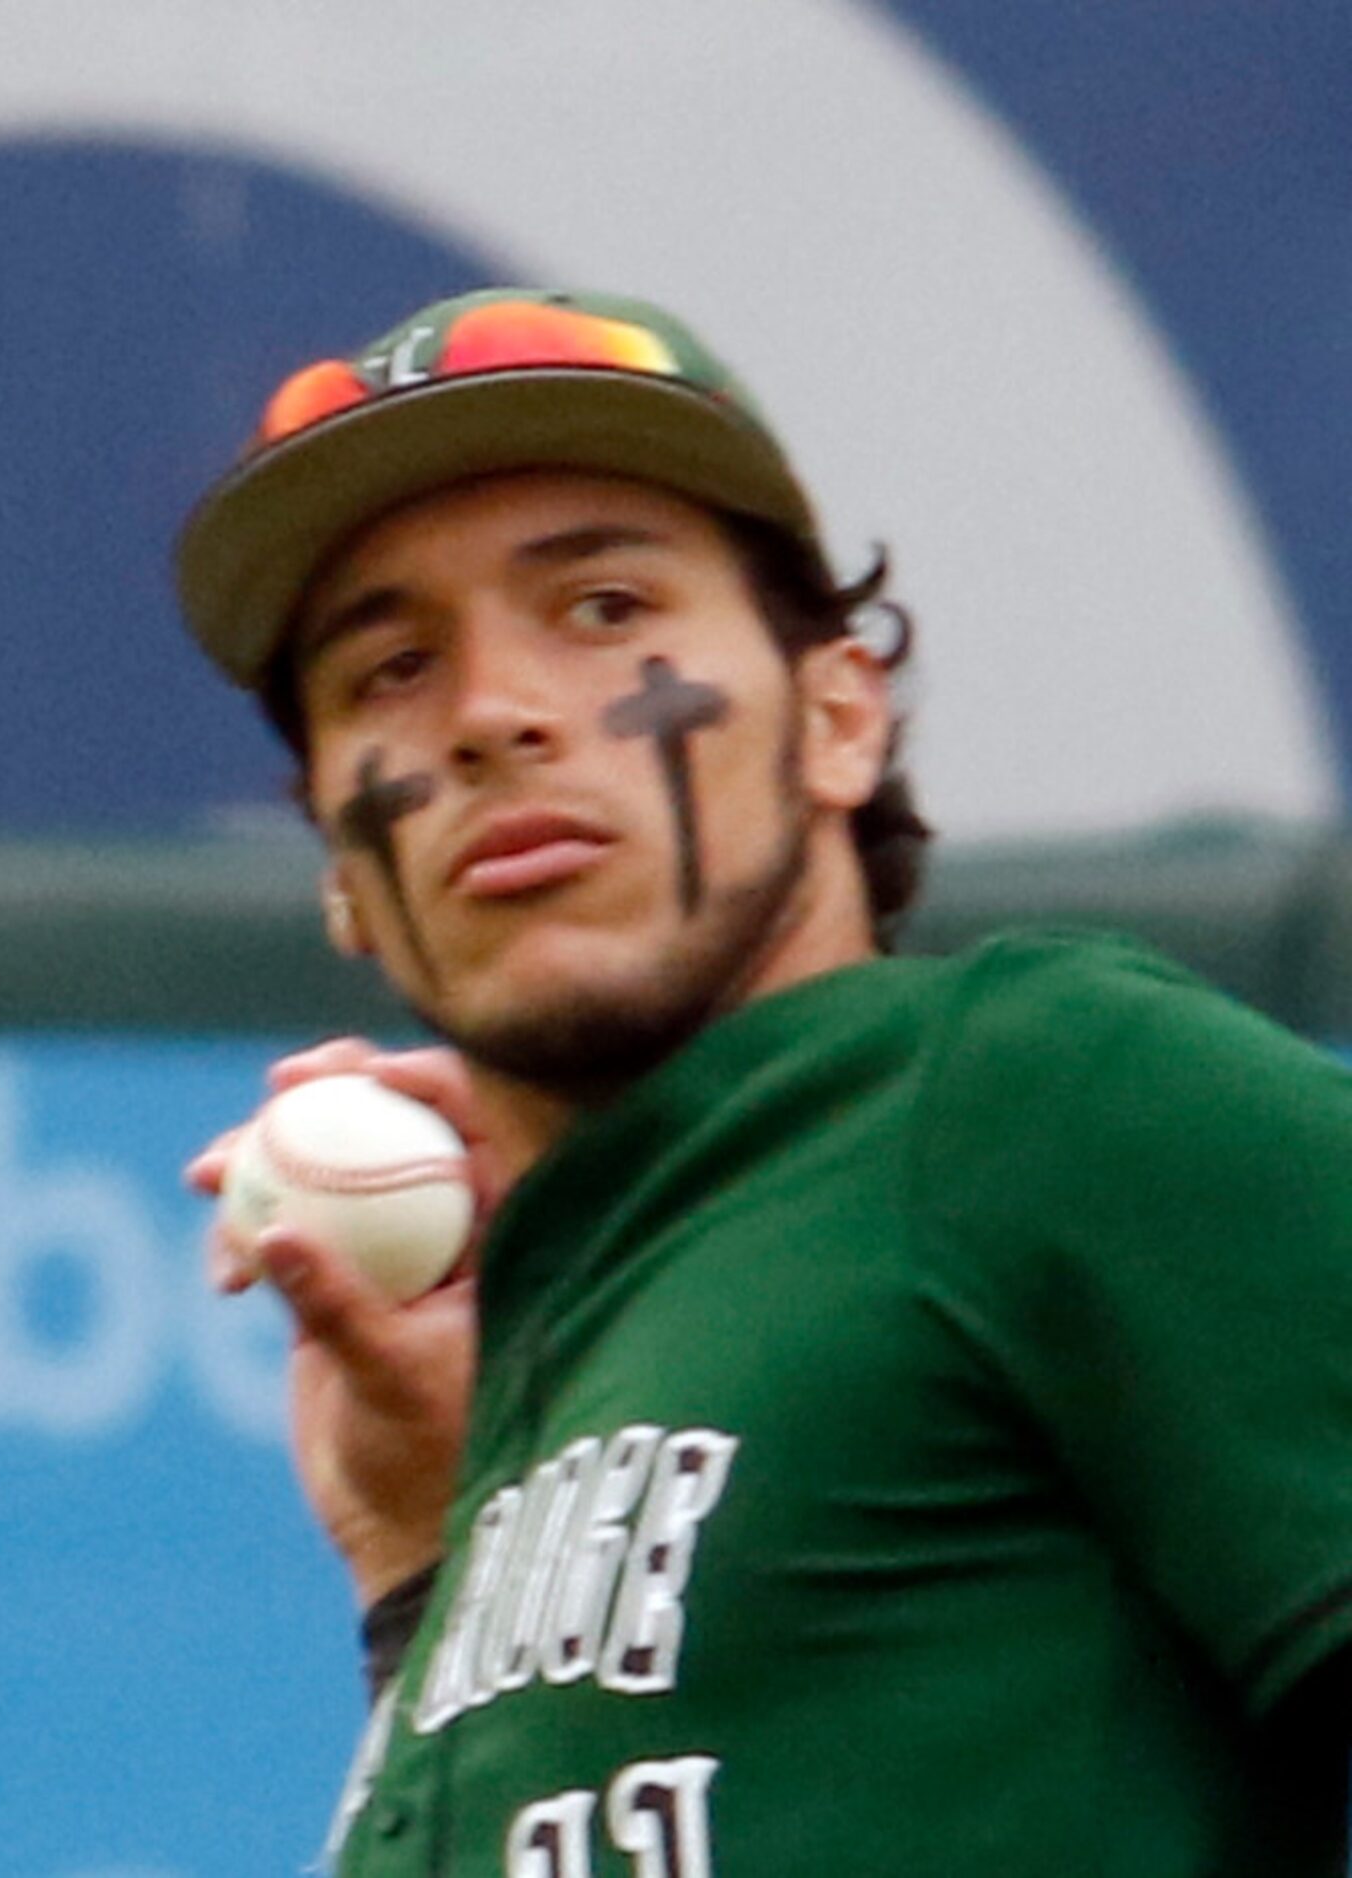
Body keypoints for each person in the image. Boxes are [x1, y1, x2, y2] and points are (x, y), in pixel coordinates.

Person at [174, 287, 1352, 1877]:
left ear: (840, 716)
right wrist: (416, 1576)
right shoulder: (515, 1405)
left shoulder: (1029, 1088)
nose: (490, 712)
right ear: (343, 876)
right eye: (388, 668)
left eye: (601, 606)